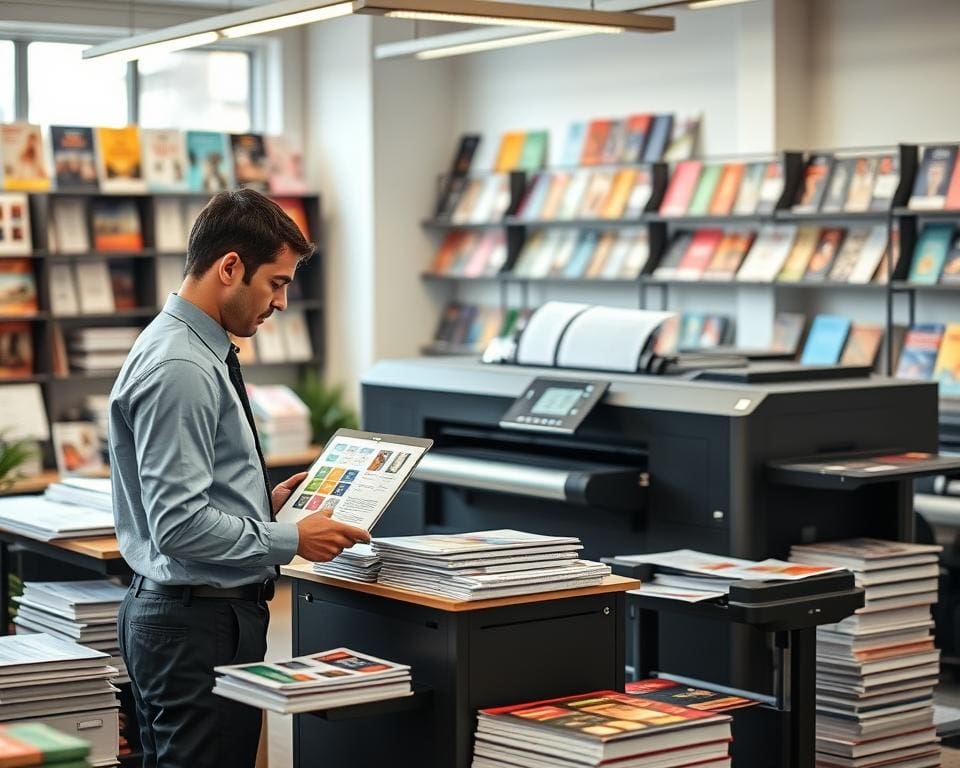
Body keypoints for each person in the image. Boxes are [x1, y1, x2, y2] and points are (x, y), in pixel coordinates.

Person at [108, 189, 370, 768]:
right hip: (195, 622)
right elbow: (177, 526)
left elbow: (192, 493)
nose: (281, 302)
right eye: (276, 282)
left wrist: (264, 504)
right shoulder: (182, 366)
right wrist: (292, 540)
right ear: (230, 267)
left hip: (194, 617)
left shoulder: (190, 348)